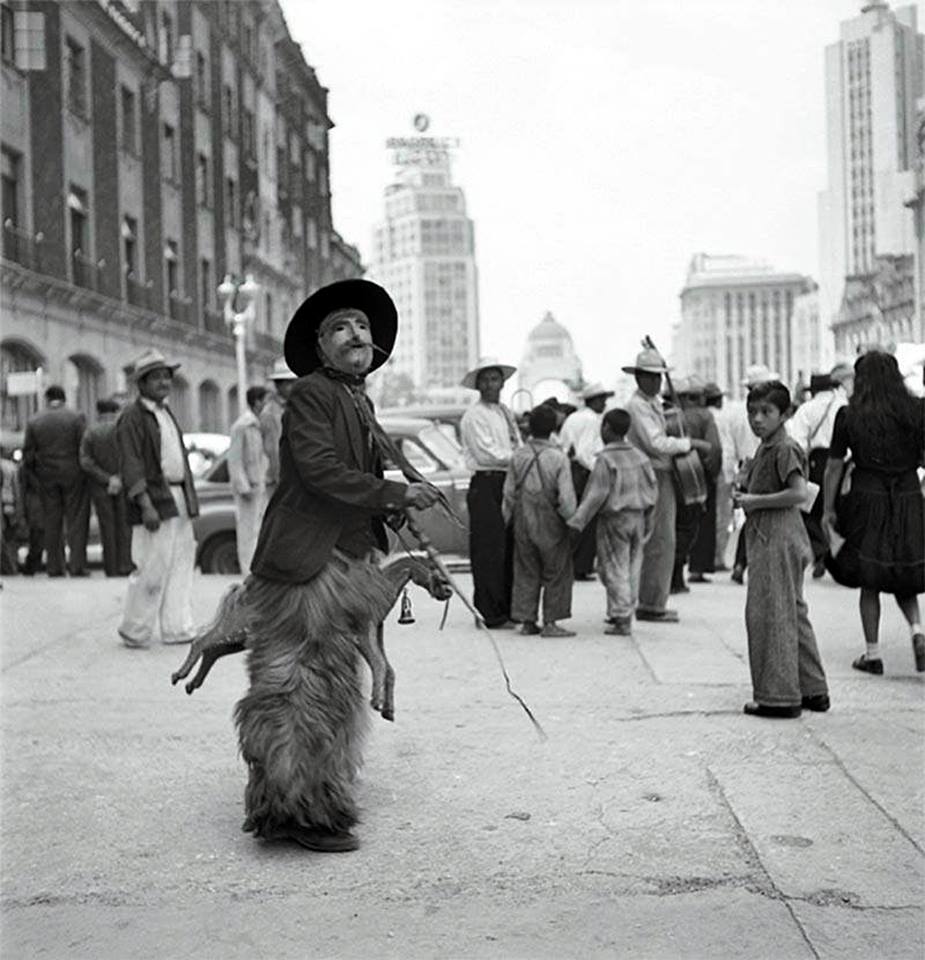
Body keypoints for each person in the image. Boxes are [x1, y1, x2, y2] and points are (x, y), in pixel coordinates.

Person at [210, 279, 439, 854]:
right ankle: (295, 812)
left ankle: (311, 799)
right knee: (298, 687)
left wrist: (398, 507)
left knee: (328, 685)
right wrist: (392, 497)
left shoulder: (355, 399)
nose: (355, 333)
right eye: (340, 327)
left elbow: (354, 481)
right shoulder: (313, 394)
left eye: (361, 325)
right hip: (308, 567)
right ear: (320, 345)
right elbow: (317, 471)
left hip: (341, 561)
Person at [823, 351, 925, 675]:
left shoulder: (849, 415)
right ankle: (918, 632)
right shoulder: (917, 411)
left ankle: (873, 653)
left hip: (868, 497)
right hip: (908, 494)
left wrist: (827, 509)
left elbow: (834, 466)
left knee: (871, 575)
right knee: (904, 569)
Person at [733, 380, 829, 718]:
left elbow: (798, 493)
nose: (757, 419)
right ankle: (812, 688)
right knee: (792, 611)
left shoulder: (785, 448)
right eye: (752, 412)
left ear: (784, 414)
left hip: (777, 537)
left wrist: (754, 501)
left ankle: (780, 697)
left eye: (766, 412)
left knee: (770, 613)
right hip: (778, 536)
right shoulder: (767, 447)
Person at [117, 349, 199, 648]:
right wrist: (145, 503)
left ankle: (177, 627)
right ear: (142, 383)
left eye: (167, 376)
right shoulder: (132, 416)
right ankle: (135, 629)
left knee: (181, 563)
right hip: (155, 498)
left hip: (178, 495)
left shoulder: (164, 412)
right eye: (156, 377)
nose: (164, 382)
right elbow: (131, 461)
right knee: (151, 565)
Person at [623, 348, 713, 623]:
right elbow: (656, 443)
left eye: (658, 377)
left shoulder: (651, 404)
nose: (656, 383)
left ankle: (654, 599)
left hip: (661, 472)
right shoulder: (637, 406)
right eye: (650, 377)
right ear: (639, 378)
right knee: (660, 540)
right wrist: (690, 443)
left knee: (663, 539)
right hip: (652, 472)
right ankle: (650, 603)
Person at [568, 408, 657, 637]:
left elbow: (596, 495)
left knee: (613, 569)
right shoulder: (640, 457)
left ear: (606, 427)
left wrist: (578, 521)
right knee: (632, 567)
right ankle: (623, 610)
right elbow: (652, 490)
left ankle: (622, 616)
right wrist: (649, 520)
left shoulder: (606, 459)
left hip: (614, 520)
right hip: (638, 517)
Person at [502, 404, 577, 637]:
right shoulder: (558, 458)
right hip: (551, 521)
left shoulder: (518, 455)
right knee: (557, 570)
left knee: (525, 569)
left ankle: (526, 621)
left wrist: (507, 521)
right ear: (554, 427)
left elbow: (508, 493)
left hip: (523, 519)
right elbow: (565, 498)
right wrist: (571, 520)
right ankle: (551, 622)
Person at [459, 356, 521, 628]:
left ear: (502, 383)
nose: (490, 384)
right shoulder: (474, 416)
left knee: (508, 547)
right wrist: (518, 458)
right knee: (488, 549)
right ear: (478, 385)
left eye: (494, 379)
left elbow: (514, 442)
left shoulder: (504, 412)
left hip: (507, 481)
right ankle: (489, 611)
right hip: (486, 482)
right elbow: (489, 453)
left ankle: (506, 607)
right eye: (484, 380)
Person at [787, 362, 853, 578]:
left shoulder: (806, 409)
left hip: (816, 463)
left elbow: (797, 441)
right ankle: (839, 554)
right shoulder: (843, 404)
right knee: (840, 510)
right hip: (843, 462)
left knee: (811, 512)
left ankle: (821, 551)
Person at [21, 385, 90, 577]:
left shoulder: (34, 420)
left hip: (46, 476)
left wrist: (37, 473)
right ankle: (77, 565)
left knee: (52, 521)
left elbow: (28, 452)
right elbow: (84, 446)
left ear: (47, 399)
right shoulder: (76, 417)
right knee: (76, 520)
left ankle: (54, 566)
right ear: (64, 398)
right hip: (74, 473)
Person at [728, 364, 780, 584]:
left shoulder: (737, 412)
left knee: (752, 518)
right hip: (765, 465)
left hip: (745, 467)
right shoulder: (770, 410)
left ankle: (741, 563)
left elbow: (731, 447)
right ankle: (753, 564)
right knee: (766, 519)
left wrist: (735, 475)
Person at [669, 376, 721, 592]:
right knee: (697, 524)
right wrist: (713, 473)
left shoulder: (669, 416)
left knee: (676, 524)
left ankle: (675, 573)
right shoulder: (704, 416)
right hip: (698, 474)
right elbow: (714, 448)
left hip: (673, 475)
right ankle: (693, 569)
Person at [558, 382, 614, 581]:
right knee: (588, 520)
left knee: (573, 517)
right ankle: (581, 565)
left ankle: (572, 563)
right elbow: (584, 452)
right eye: (602, 400)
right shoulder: (592, 420)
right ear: (595, 400)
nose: (604, 404)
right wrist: (597, 472)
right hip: (584, 471)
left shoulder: (573, 418)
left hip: (569, 469)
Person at [79, 397, 133, 577]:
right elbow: (132, 456)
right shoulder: (124, 430)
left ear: (98, 412)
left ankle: (111, 567)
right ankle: (125, 564)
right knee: (125, 526)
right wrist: (119, 477)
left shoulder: (91, 432)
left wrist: (107, 479)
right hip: (124, 484)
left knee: (107, 527)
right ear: (115, 411)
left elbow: (85, 461)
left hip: (100, 486)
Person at [228, 385, 269, 575]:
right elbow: (235, 460)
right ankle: (248, 572)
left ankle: (256, 569)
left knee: (257, 530)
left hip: (259, 485)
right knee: (247, 532)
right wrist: (243, 487)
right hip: (248, 488)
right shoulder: (242, 426)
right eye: (265, 400)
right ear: (257, 402)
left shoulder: (258, 425)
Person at [259, 357, 297, 498]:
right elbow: (274, 450)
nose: (294, 387)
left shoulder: (293, 407)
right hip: (280, 482)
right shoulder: (270, 413)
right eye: (289, 383)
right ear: (278, 385)